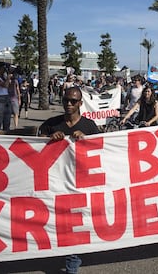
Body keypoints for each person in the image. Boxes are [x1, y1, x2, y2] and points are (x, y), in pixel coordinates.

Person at [38, 86, 99, 274]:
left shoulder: (89, 126)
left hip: (80, 182)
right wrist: (48, 139)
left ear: (81, 103)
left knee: (74, 222)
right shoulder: (51, 124)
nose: (69, 104)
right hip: (56, 182)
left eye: (73, 101)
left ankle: (72, 263)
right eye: (66, 100)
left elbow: (102, 150)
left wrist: (87, 139)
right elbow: (33, 146)